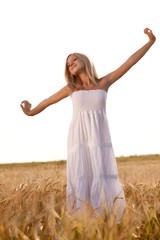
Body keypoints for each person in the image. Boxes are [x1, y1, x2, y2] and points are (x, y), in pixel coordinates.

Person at [21, 28, 156, 219]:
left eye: (74, 59)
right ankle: (82, 221)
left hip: (99, 138)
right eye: (68, 64)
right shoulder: (71, 88)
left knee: (102, 175)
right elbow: (47, 102)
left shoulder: (104, 83)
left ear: (85, 60)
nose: (71, 64)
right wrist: (31, 111)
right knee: (81, 176)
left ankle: (106, 220)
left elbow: (130, 62)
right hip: (79, 139)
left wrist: (150, 42)